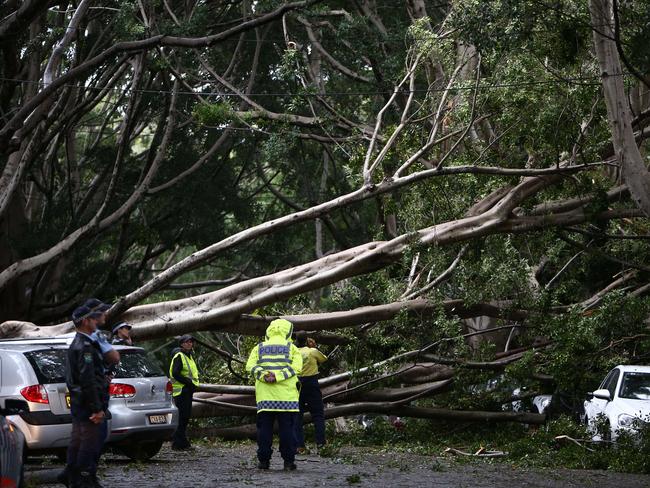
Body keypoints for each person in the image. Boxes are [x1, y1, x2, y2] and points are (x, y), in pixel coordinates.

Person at [63, 305, 112, 488]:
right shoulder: (84, 347)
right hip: (87, 403)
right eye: (93, 319)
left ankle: (72, 475)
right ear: (85, 321)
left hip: (80, 402)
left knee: (79, 439)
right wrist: (97, 408)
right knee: (89, 442)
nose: (96, 322)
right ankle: (83, 478)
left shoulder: (79, 343)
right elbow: (88, 380)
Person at [246, 319, 303, 471]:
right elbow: (296, 368)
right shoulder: (292, 348)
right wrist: (277, 376)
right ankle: (288, 462)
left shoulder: (259, 348)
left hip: (265, 398)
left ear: (269, 331)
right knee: (287, 431)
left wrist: (264, 375)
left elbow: (250, 366)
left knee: (264, 430)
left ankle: (264, 461)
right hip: (287, 398)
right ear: (288, 331)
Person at [294, 332, 328, 452]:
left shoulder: (292, 352)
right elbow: (324, 359)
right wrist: (314, 347)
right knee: (318, 415)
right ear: (307, 341)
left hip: (296, 385)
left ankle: (299, 446)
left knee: (297, 416)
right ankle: (321, 444)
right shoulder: (312, 351)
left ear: (296, 340)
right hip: (312, 383)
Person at [169, 334, 199, 450]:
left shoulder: (189, 356)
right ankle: (179, 443)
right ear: (181, 344)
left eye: (191, 342)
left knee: (184, 417)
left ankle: (181, 442)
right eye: (186, 342)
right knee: (182, 417)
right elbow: (175, 373)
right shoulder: (179, 356)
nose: (189, 344)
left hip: (187, 390)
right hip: (181, 391)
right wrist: (188, 383)